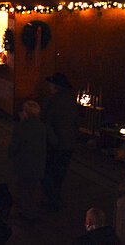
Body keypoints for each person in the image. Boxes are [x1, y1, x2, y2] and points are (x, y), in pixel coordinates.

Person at [42, 72, 79, 212]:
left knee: (48, 173)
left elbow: (47, 123)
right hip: (69, 144)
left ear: (55, 86)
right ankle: (55, 198)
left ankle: (53, 201)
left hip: (55, 144)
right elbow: (76, 122)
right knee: (60, 174)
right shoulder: (71, 100)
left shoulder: (52, 101)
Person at [8, 100, 48, 222]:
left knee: (24, 190)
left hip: (24, 165)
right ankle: (32, 210)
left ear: (26, 113)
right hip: (38, 165)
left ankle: (28, 214)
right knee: (33, 188)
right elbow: (53, 140)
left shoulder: (21, 127)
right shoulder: (43, 127)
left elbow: (14, 147)